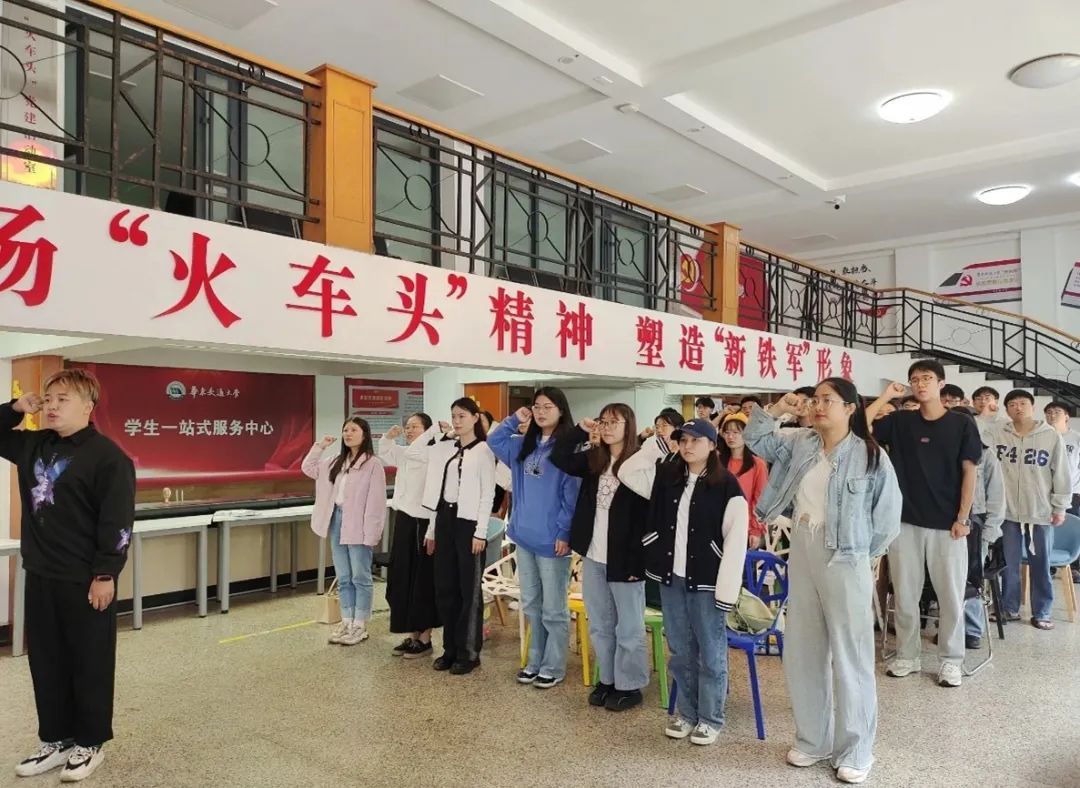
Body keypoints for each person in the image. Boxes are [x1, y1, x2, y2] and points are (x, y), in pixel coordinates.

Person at [746, 380, 901, 786]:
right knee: (803, 649)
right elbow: (755, 439)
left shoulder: (870, 455)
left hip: (846, 556)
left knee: (851, 655)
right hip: (804, 547)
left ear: (850, 408)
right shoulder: (801, 443)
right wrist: (779, 407)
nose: (817, 406)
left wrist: (861, 556)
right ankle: (813, 740)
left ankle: (856, 750)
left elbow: (887, 518)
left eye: (827, 400)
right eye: (814, 400)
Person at [2, 370, 135, 783]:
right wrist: (15, 409)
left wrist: (106, 573)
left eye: (63, 399)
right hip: (41, 573)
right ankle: (56, 738)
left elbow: (117, 521)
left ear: (88, 406)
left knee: (89, 661)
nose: (52, 405)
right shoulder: (33, 445)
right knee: (47, 661)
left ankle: (90, 743)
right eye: (49, 398)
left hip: (85, 579)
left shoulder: (108, 458)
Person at [618, 418, 748, 746]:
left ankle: (711, 718)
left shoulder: (726, 485)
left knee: (711, 652)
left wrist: (727, 591)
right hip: (671, 577)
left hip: (707, 581)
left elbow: (736, 542)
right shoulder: (668, 477)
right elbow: (627, 472)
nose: (687, 446)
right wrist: (657, 445)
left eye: (696, 440)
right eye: (683, 440)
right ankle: (687, 713)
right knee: (680, 650)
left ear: (712, 446)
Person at [868, 360, 981, 688]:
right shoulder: (900, 421)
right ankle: (907, 655)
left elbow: (970, 472)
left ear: (941, 383)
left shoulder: (961, 424)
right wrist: (884, 396)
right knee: (905, 594)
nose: (920, 384)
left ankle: (951, 660)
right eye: (914, 379)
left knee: (950, 595)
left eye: (927, 378)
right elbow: (858, 427)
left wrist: (963, 517)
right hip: (904, 521)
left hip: (948, 524)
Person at [550, 403, 649, 711]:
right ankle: (608, 679)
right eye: (603, 422)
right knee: (601, 624)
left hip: (626, 558)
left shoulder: (640, 463)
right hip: (594, 554)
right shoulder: (596, 459)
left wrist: (639, 561)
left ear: (628, 427)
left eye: (613, 422)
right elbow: (559, 456)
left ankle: (630, 685)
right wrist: (580, 430)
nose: (606, 427)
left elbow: (648, 518)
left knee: (629, 628)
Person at [488, 388, 580, 688]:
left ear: (561, 410)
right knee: (531, 605)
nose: (541, 412)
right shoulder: (522, 445)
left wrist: (564, 532)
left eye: (547, 407)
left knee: (554, 609)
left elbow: (571, 494)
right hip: (523, 535)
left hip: (553, 540)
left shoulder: (568, 448)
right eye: (536, 407)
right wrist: (515, 418)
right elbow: (494, 440)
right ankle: (534, 661)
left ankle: (554, 666)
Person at [421, 398, 497, 674]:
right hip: (445, 520)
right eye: (453, 416)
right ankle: (449, 649)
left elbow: (488, 493)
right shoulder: (449, 449)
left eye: (462, 415)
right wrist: (432, 530)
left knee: (468, 591)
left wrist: (480, 532)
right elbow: (437, 491)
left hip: (469, 524)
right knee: (445, 588)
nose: (456, 421)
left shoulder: (484, 450)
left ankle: (468, 652)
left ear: (476, 418)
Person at [989, 391, 1071, 630]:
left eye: (1023, 403)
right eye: (1012, 404)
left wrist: (1060, 507)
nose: (1018, 408)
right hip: (1007, 512)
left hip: (1040, 512)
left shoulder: (1050, 435)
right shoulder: (998, 433)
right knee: (1008, 564)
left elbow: (1061, 474)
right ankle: (1009, 608)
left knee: (1041, 564)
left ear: (1033, 407)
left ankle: (1042, 611)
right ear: (1007, 410)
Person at [304, 417, 387, 647]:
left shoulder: (373, 464)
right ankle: (347, 620)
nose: (348, 434)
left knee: (360, 576)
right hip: (337, 520)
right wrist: (320, 446)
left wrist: (372, 533)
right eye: (345, 430)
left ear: (364, 434)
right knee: (343, 576)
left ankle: (360, 624)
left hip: (359, 523)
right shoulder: (335, 461)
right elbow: (308, 468)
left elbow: (376, 502)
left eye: (353, 430)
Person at [379, 413, 439, 658]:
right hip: (404, 521)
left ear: (427, 431)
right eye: (407, 427)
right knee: (403, 578)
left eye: (415, 426)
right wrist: (388, 436)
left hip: (422, 523)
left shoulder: (430, 454)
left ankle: (425, 638)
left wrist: (433, 530)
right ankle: (413, 635)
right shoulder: (407, 453)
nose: (409, 430)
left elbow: (436, 496)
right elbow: (385, 452)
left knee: (421, 580)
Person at [948, 407, 1005, 649]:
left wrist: (990, 532)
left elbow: (997, 495)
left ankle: (972, 629)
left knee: (971, 578)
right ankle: (950, 628)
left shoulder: (985, 454)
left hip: (976, 524)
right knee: (948, 579)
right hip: (944, 522)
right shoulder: (941, 450)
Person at [717, 413, 769, 548]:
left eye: (736, 432)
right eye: (727, 432)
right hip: (717, 524)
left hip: (743, 526)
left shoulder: (758, 464)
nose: (730, 436)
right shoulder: (717, 462)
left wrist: (755, 529)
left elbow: (760, 499)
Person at [1043, 401, 1080, 517]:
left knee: (1069, 524)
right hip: (1045, 492)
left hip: (1071, 492)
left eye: (1057, 412)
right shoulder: (1041, 438)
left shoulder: (1076, 438)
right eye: (1049, 412)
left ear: (1067, 417)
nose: (1052, 415)